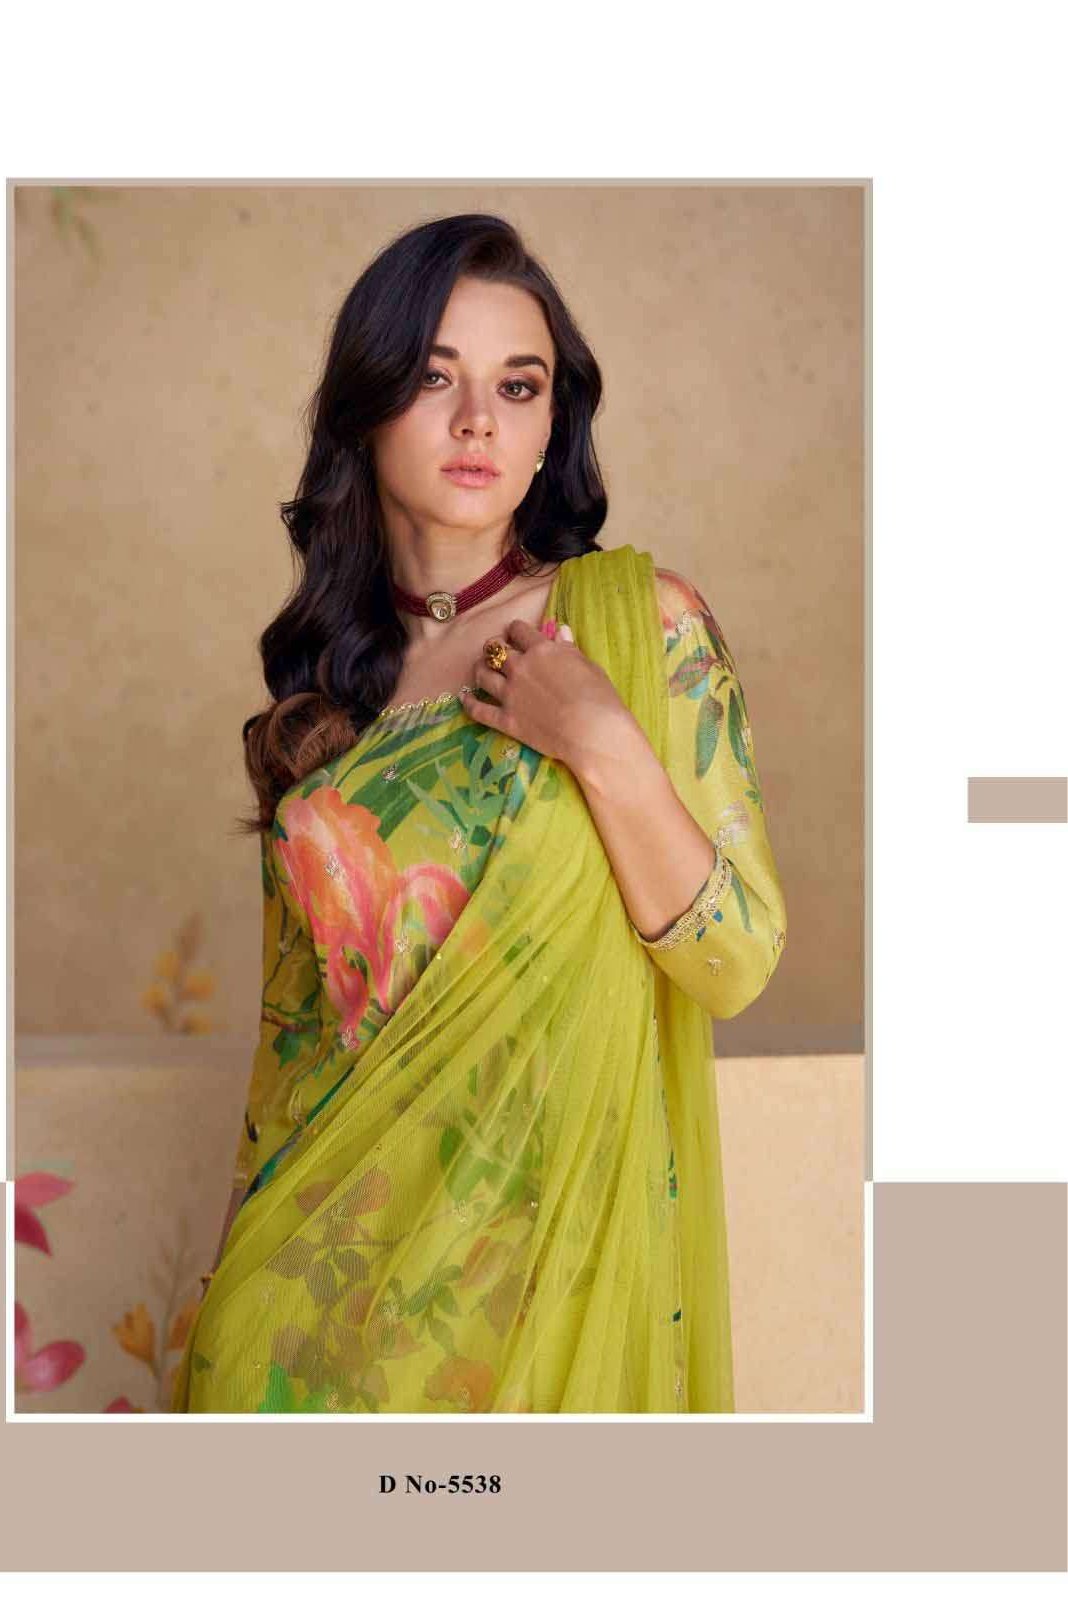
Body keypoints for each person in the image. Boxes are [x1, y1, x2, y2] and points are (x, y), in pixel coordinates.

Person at [170, 213, 787, 1415]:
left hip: (554, 1300)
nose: (477, 422)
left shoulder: (639, 626)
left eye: (518, 385)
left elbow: (738, 960)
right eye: (433, 377)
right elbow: (286, 1070)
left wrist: (603, 741)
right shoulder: (322, 713)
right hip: (312, 1322)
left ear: (554, 424)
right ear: (366, 407)